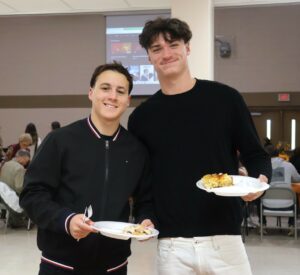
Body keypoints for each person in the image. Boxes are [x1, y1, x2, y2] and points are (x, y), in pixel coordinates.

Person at [128, 17, 272, 275]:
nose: (166, 53)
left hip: (225, 240)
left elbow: (256, 155)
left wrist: (259, 182)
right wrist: (144, 217)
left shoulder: (225, 99)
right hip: (172, 245)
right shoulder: (141, 118)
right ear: (149, 57)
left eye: (173, 44)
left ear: (188, 48)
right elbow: (145, 184)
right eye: (156, 49)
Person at [19, 62, 155, 275]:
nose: (112, 96)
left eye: (120, 91)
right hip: (60, 265)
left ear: (128, 100)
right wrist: (67, 220)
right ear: (91, 93)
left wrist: (145, 220)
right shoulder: (60, 141)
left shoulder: (136, 150)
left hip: (114, 266)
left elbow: (145, 200)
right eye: (105, 88)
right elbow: (32, 195)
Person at [0, 149, 30, 227]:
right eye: (26, 160)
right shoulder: (20, 168)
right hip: (13, 196)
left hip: (3, 195)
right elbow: (19, 187)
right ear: (22, 157)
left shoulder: (6, 164)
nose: (26, 163)